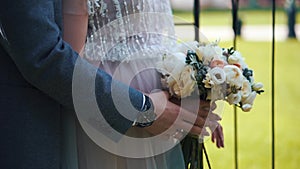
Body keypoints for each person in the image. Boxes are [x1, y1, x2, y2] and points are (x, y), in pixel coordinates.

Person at [0, 0, 212, 169]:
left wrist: (187, 86)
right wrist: (143, 109)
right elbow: (45, 55)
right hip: (107, 103)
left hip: (146, 99)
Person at [62, 0, 224, 169]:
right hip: (115, 99)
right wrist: (134, 110)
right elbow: (71, 66)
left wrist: (191, 94)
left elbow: (161, 42)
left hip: (162, 100)